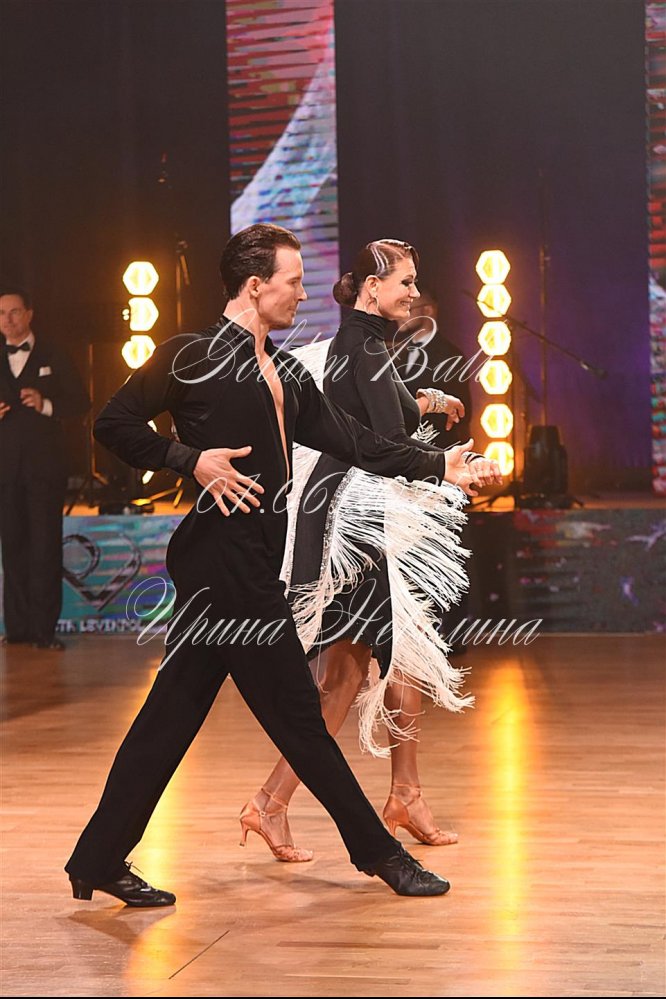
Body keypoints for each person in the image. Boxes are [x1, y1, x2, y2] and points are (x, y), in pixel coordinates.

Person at [64, 223, 501, 908]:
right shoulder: (191, 355)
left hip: (250, 562)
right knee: (300, 716)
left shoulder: (288, 372)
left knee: (167, 719)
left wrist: (438, 464)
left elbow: (355, 441)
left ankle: (96, 858)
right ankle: (381, 855)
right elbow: (112, 424)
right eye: (293, 282)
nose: (303, 293)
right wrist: (189, 459)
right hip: (222, 566)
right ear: (254, 285)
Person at [243, 240, 483, 863]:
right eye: (406, 282)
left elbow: (380, 411)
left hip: (363, 510)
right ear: (372, 288)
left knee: (394, 659)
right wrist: (451, 466)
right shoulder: (365, 345)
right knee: (347, 674)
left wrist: (432, 401)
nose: (414, 293)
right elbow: (387, 442)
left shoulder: (366, 342)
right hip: (355, 519)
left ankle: (402, 794)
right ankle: (275, 801)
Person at [0, 288, 90, 650]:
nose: (7, 319)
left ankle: (43, 631)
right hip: (5, 471)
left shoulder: (54, 353)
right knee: (12, 549)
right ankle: (17, 629)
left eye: (14, 312)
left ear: (29, 314)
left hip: (45, 469)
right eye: (1, 313)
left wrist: (46, 403)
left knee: (45, 548)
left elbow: (81, 401)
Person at [387, 288, 473, 448]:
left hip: (436, 449)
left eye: (407, 308)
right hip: (401, 449)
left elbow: (460, 413)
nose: (400, 315)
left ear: (427, 310)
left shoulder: (450, 355)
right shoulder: (397, 354)